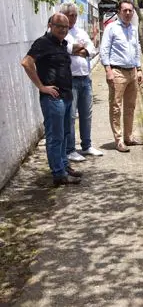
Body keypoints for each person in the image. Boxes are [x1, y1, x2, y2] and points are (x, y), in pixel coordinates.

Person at [21, 13, 83, 185]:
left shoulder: (63, 44)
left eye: (66, 27)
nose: (63, 29)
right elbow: (26, 62)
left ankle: (64, 165)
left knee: (64, 134)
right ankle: (58, 174)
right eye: (59, 26)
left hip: (66, 96)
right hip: (53, 99)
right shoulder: (42, 43)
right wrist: (41, 86)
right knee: (55, 137)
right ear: (50, 25)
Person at [60, 2, 104, 162]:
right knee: (71, 116)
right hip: (69, 80)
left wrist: (82, 50)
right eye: (70, 15)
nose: (73, 18)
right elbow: (66, 49)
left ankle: (87, 145)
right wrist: (77, 48)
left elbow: (92, 48)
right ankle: (70, 149)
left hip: (85, 78)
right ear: (64, 15)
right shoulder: (59, 32)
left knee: (86, 114)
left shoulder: (80, 31)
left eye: (75, 15)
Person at [100, 0, 143, 153]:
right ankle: (118, 140)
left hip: (132, 71)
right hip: (117, 71)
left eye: (130, 11)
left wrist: (139, 69)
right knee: (116, 107)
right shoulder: (111, 28)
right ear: (118, 11)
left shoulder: (133, 29)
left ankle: (128, 136)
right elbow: (104, 49)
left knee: (130, 106)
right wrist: (108, 70)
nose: (127, 13)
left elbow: (136, 49)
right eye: (124, 10)